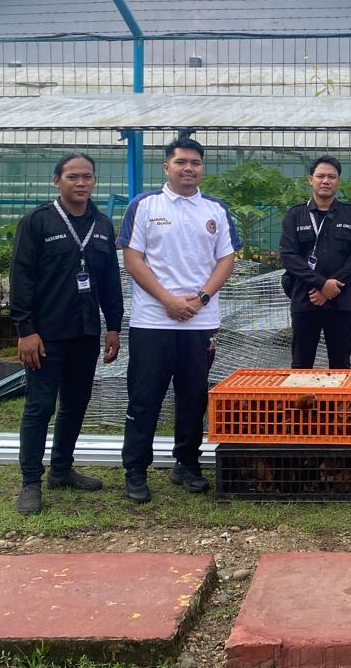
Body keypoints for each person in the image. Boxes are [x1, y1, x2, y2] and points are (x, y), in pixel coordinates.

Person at [117, 136, 237, 503]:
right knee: (144, 398)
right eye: (181, 162)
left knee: (193, 398)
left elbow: (226, 260)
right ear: (166, 167)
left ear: (202, 168)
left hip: (200, 322)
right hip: (153, 321)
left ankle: (186, 464)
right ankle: (136, 471)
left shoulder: (215, 209)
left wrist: (201, 300)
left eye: (195, 163)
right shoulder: (144, 205)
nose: (188, 168)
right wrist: (168, 300)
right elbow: (133, 259)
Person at [9, 152, 123, 516]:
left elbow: (110, 280)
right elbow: (21, 277)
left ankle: (61, 469)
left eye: (87, 176)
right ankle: (31, 482)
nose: (81, 183)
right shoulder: (37, 221)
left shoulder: (102, 224)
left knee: (75, 403)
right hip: (46, 335)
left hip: (86, 332)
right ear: (57, 180)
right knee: (40, 406)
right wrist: (26, 330)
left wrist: (114, 326)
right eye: (73, 176)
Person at [279, 155, 351, 368]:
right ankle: (302, 394)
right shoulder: (295, 215)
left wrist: (331, 287)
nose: (326, 181)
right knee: (301, 364)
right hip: (305, 299)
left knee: (341, 364)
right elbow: (289, 256)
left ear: (338, 181)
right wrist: (321, 284)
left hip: (341, 301)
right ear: (311, 180)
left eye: (331, 177)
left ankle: (339, 395)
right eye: (320, 176)